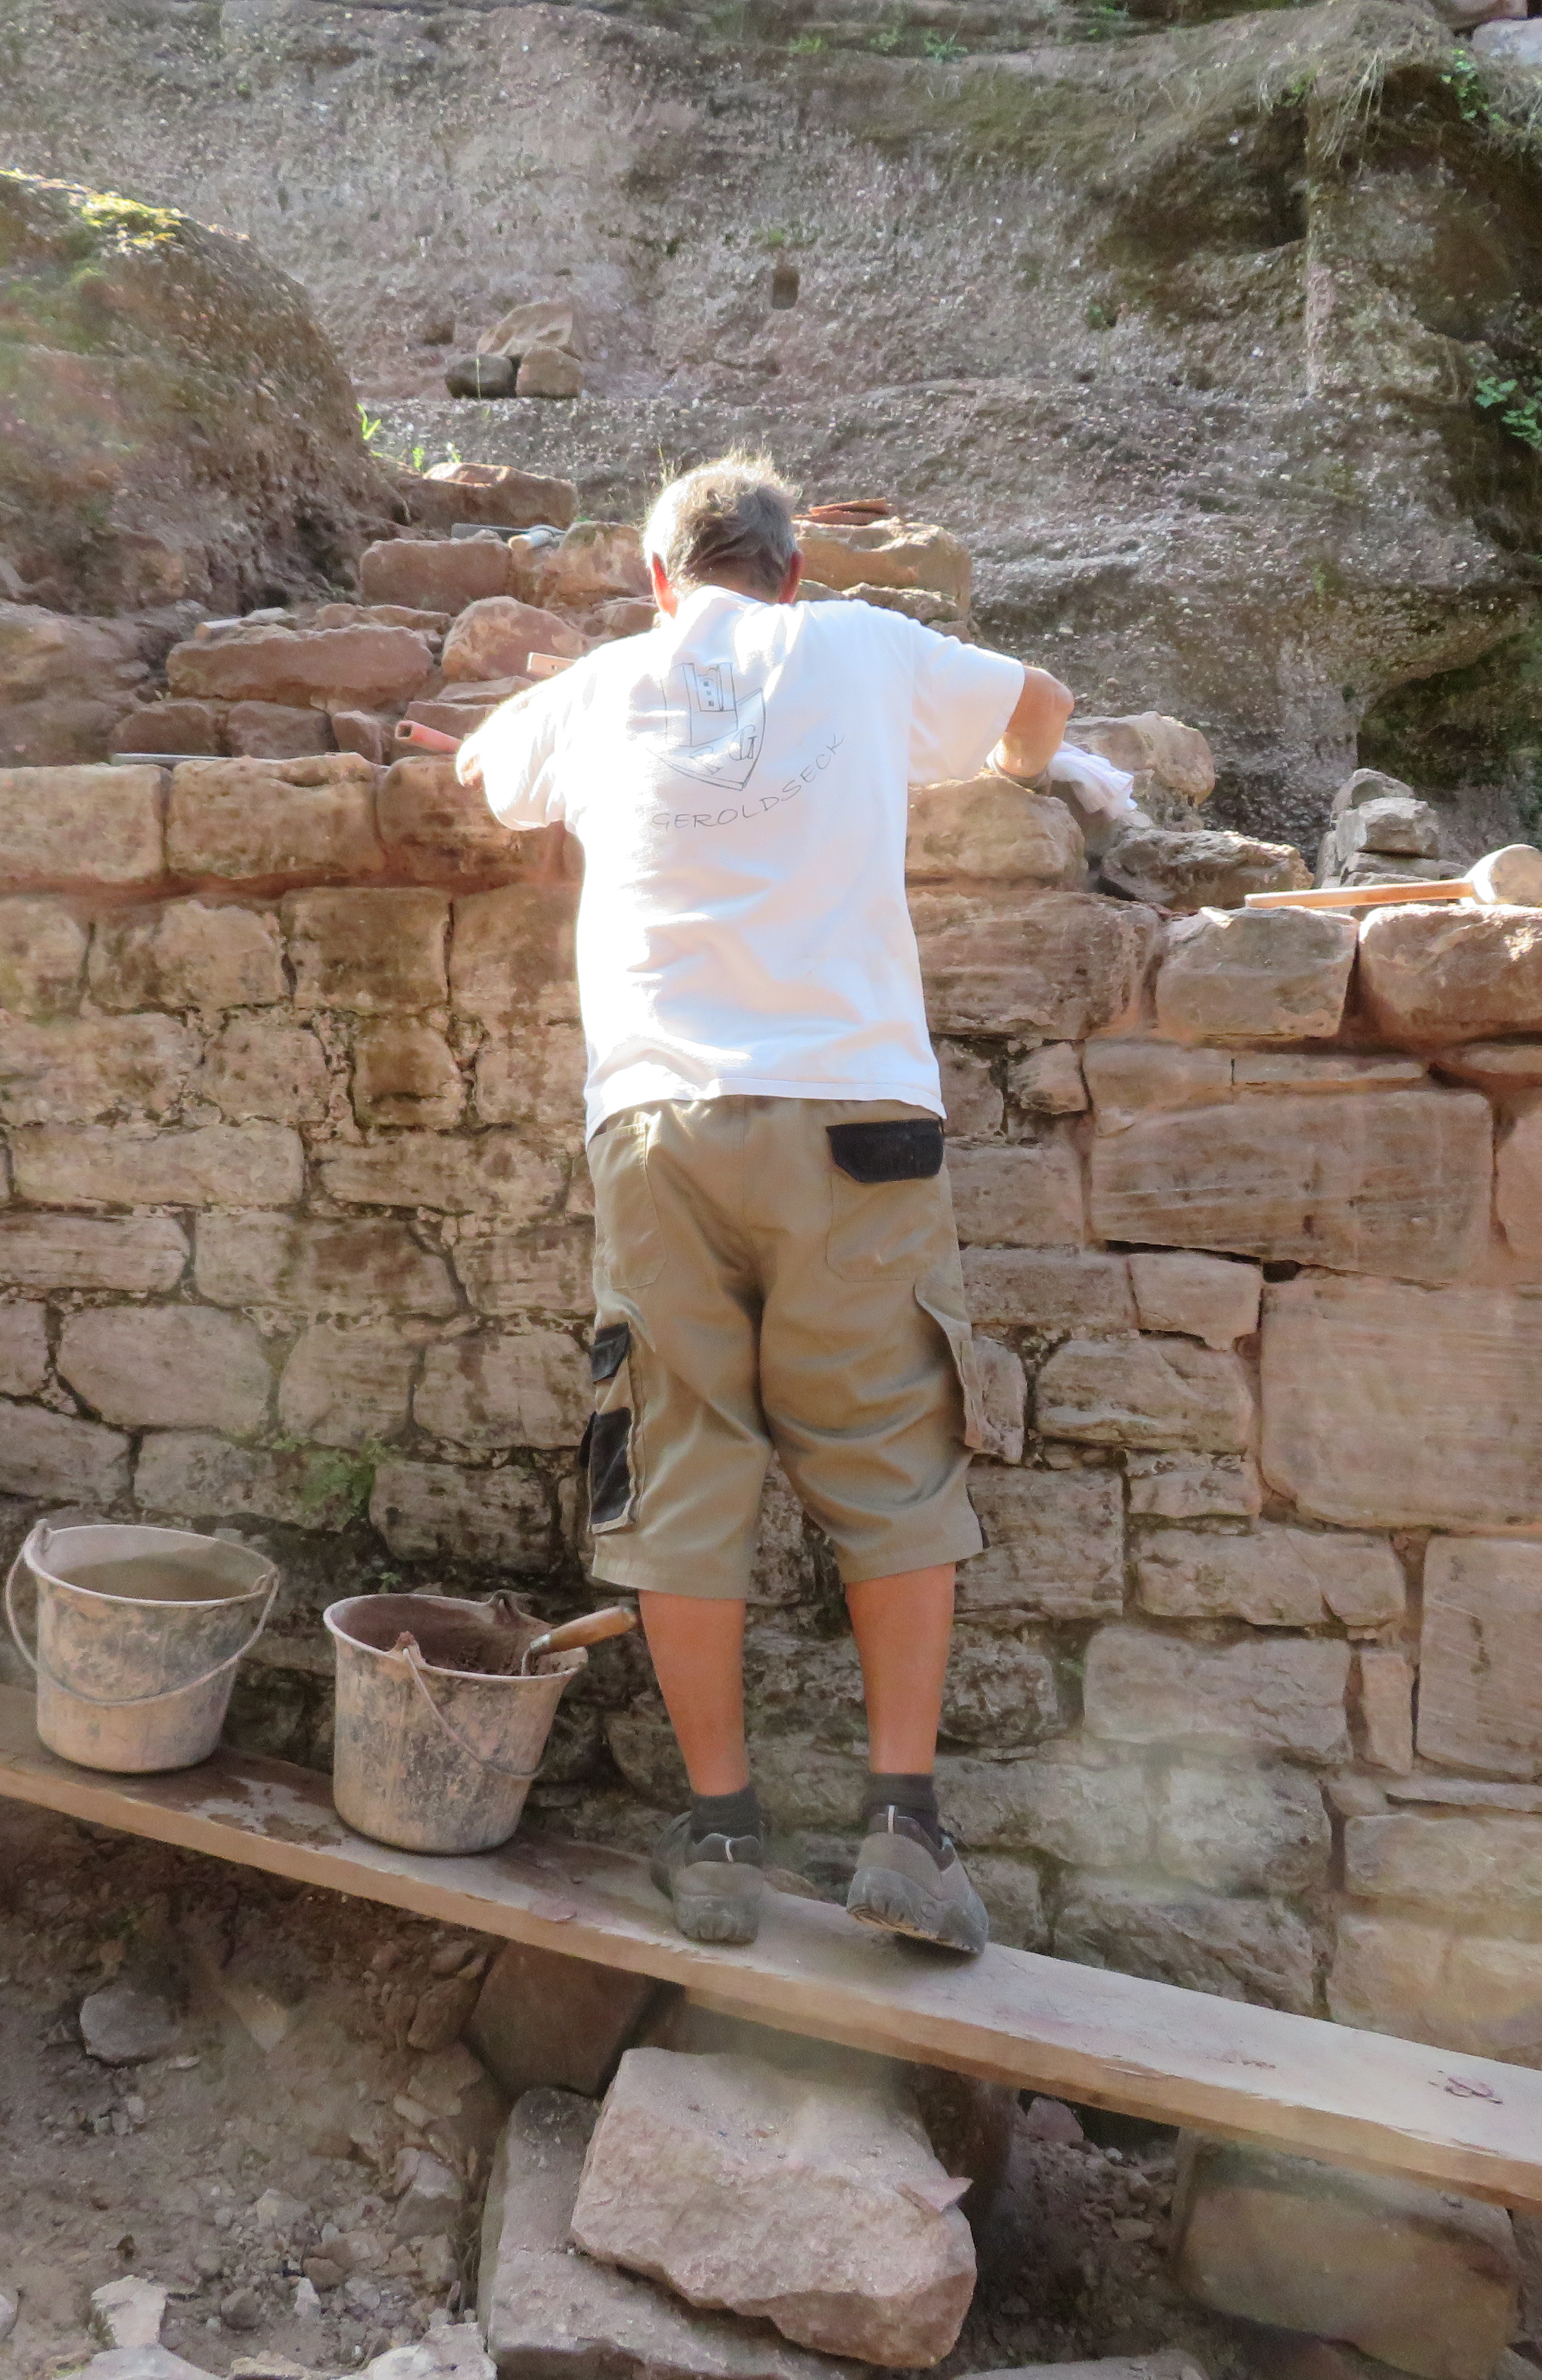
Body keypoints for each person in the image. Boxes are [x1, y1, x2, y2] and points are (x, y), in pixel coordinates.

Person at [455, 455, 1076, 1955]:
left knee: (680, 1465)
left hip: (660, 1121)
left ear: (658, 582)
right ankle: (908, 1829)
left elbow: (484, 779)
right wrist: (1001, 774)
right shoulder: (861, 645)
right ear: (794, 575)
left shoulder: (602, 684)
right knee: (891, 1460)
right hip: (858, 1112)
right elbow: (1041, 708)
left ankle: (725, 1835)